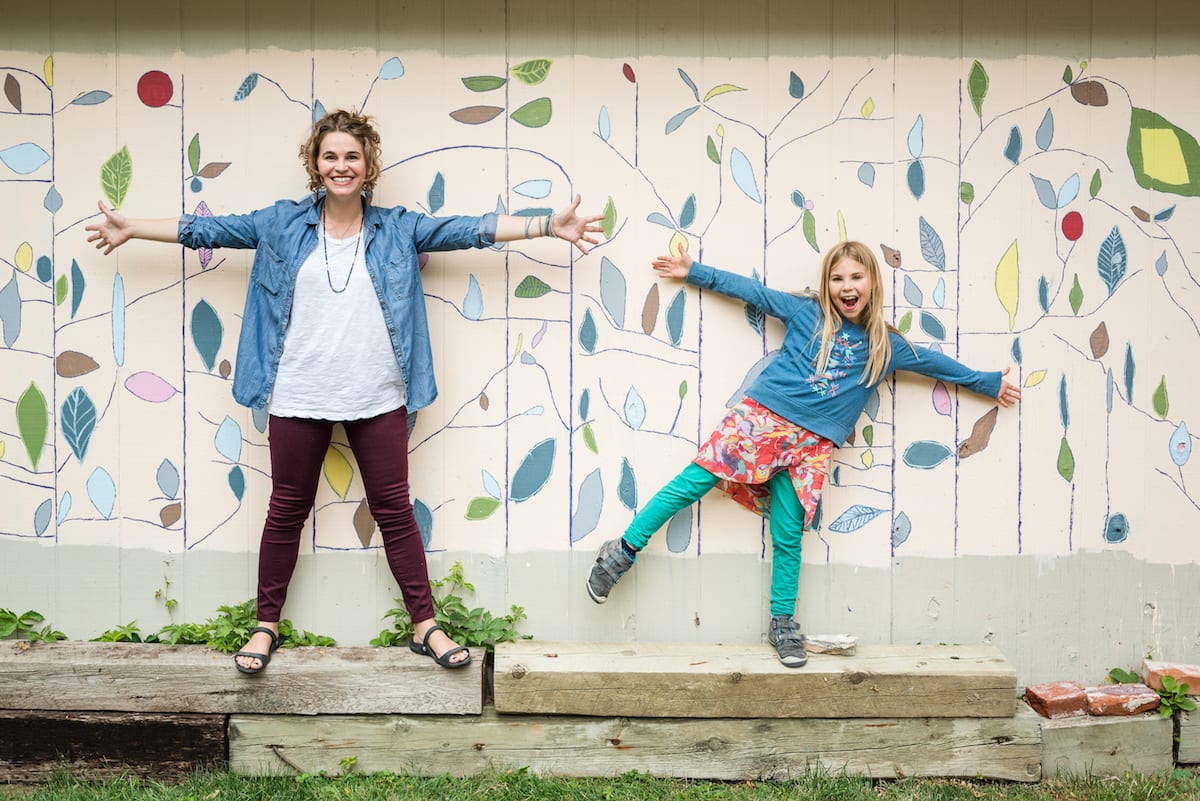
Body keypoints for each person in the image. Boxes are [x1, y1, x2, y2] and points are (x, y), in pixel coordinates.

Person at [86, 109, 603, 674]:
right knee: (286, 510)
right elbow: (207, 230)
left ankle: (425, 626)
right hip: (297, 395)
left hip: (376, 395)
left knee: (394, 511)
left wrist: (550, 224)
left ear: (368, 164)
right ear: (315, 164)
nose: (341, 166)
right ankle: (264, 626)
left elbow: (469, 229)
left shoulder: (399, 228)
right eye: (330, 156)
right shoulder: (279, 223)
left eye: (351, 156)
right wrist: (132, 226)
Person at [586, 241, 1021, 667]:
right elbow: (752, 293)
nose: (846, 286)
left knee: (788, 534)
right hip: (762, 423)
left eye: (856, 277)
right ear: (826, 284)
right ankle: (622, 551)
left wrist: (987, 382)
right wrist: (695, 271)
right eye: (837, 278)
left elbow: (935, 364)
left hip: (810, 448)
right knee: (692, 484)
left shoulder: (885, 347)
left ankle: (782, 622)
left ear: (872, 283)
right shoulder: (806, 313)